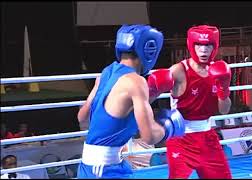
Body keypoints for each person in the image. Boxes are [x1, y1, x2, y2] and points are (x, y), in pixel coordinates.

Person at [76, 24, 185, 179]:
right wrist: (169, 127)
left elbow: (83, 116)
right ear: (149, 51)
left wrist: (153, 93)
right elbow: (149, 136)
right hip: (104, 170)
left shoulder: (106, 73)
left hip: (93, 166)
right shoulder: (136, 82)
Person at [148, 25, 232, 178]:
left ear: (215, 46)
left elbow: (224, 110)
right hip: (181, 139)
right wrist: (153, 89)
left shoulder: (218, 71)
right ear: (191, 45)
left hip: (207, 138)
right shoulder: (179, 71)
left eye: (208, 45)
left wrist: (224, 90)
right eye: (199, 45)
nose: (204, 50)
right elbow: (146, 100)